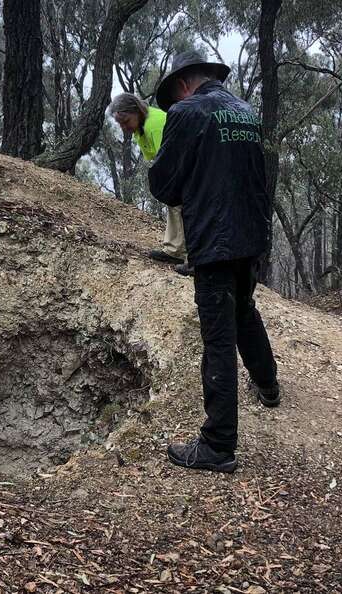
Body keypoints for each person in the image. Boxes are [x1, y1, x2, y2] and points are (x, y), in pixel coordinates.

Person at [148, 50, 280, 473]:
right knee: (244, 310)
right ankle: (268, 385)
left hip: (215, 241)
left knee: (218, 337)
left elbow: (165, 186)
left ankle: (218, 444)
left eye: (172, 95)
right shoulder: (245, 111)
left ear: (182, 84)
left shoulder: (186, 113)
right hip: (251, 236)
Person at [109, 93, 192, 276]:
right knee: (174, 205)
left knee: (185, 207)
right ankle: (174, 250)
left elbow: (170, 157)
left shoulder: (154, 125)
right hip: (174, 166)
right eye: (120, 124)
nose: (124, 127)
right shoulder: (141, 128)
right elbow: (155, 158)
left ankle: (191, 258)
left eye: (126, 121)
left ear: (136, 111)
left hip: (187, 166)